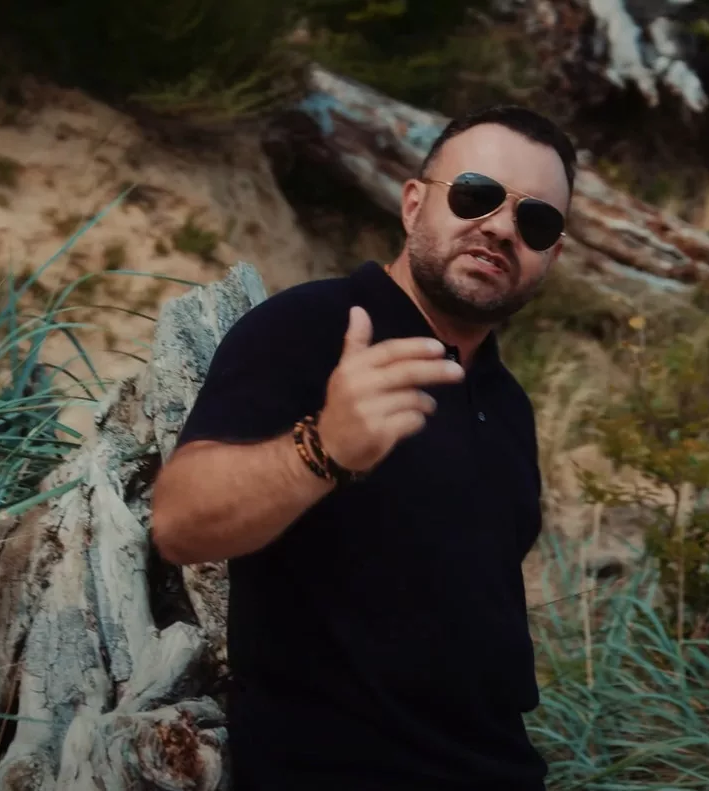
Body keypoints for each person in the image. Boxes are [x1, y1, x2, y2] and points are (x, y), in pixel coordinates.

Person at [149, 104, 577, 791]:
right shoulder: (309, 326)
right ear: (413, 204)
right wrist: (322, 449)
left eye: (537, 221)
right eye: (476, 194)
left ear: (551, 255)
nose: (501, 227)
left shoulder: (508, 404)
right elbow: (179, 524)